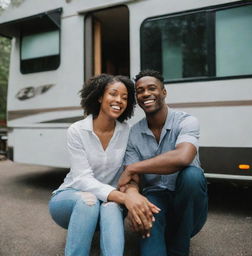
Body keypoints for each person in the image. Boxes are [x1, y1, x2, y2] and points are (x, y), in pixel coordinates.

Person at [49, 74, 159, 256]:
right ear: (100, 97)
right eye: (113, 94)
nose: (119, 101)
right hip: (70, 199)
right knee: (88, 202)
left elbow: (130, 171)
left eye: (124, 98)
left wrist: (130, 194)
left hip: (110, 199)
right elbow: (82, 179)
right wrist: (125, 199)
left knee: (111, 207)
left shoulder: (126, 132)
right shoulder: (77, 131)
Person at [118, 70, 208, 256]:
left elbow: (183, 157)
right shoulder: (134, 133)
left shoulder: (186, 121)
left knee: (192, 175)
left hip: (187, 206)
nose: (146, 94)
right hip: (155, 202)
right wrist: (133, 196)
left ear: (164, 92)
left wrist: (134, 167)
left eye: (152, 88)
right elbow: (132, 180)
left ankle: (178, 248)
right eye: (140, 91)